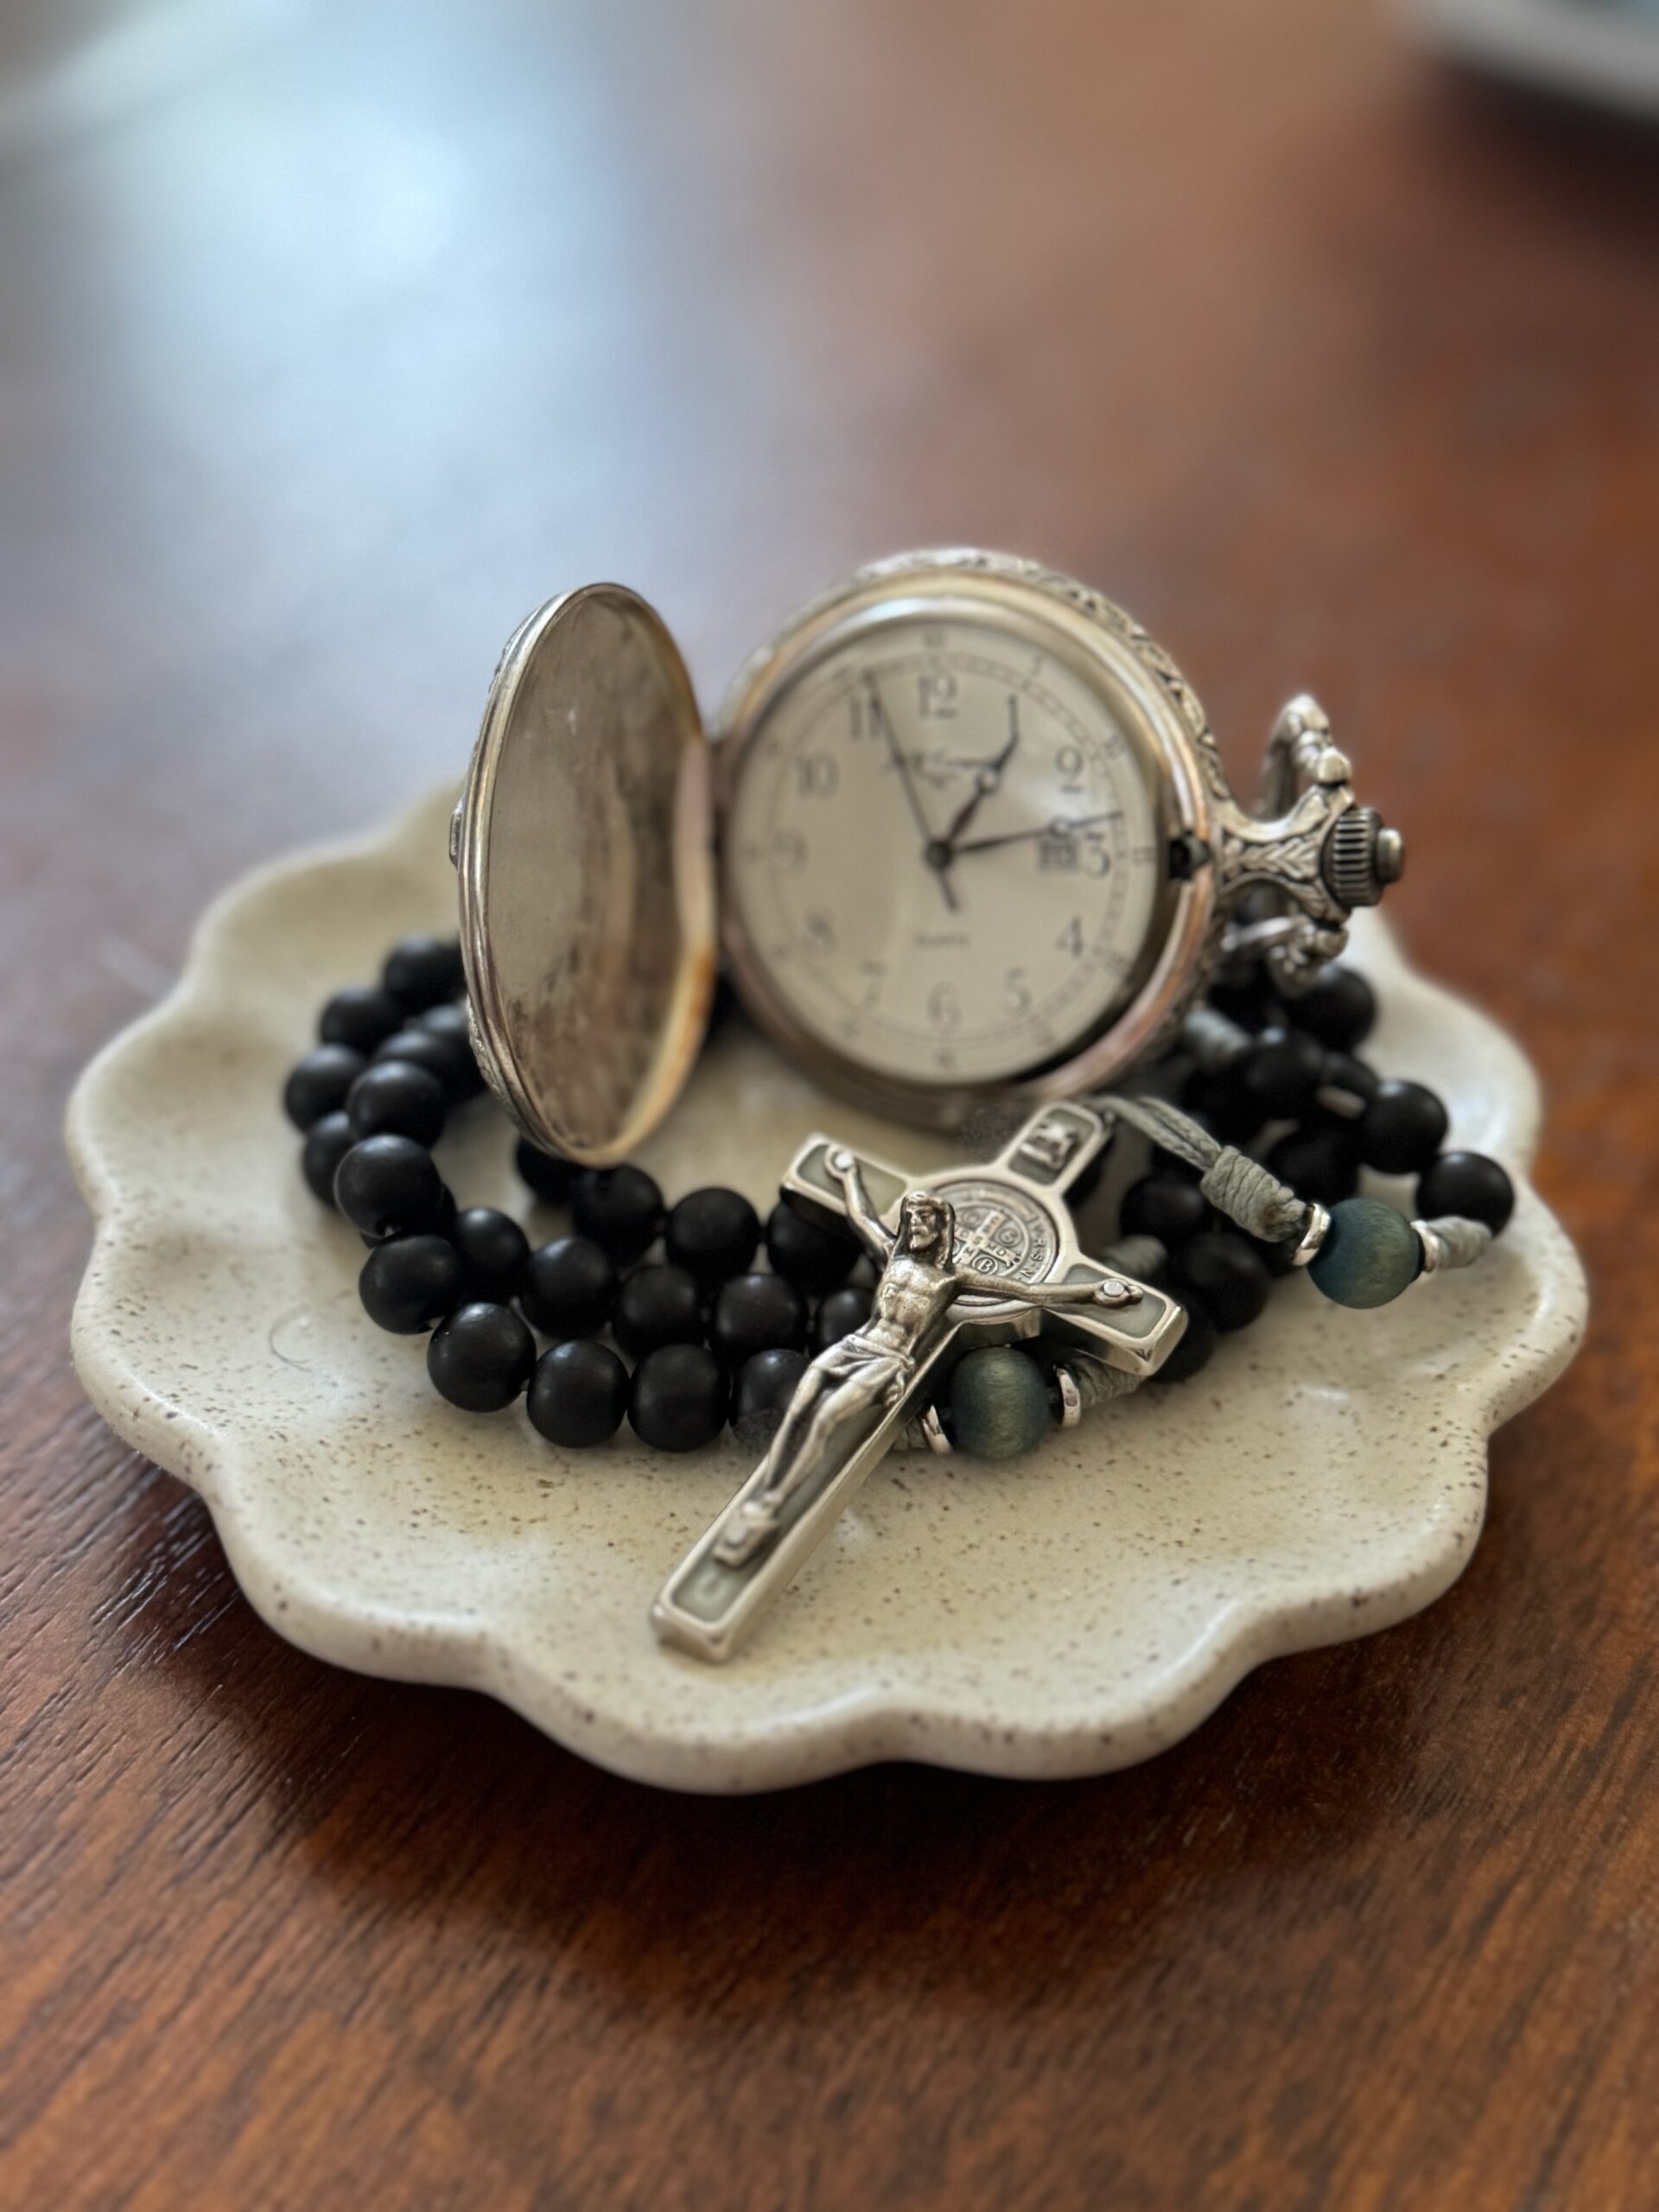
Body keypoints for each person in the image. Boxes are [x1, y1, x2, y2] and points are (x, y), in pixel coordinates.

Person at [712, 1149, 1136, 1567]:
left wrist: (1093, 1293)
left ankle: (772, 1508)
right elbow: (861, 1217)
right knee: (798, 1414)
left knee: (825, 1421)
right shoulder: (893, 1256)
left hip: (889, 1361)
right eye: (910, 1220)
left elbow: (1030, 1292)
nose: (913, 1226)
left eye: (922, 1221)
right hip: (853, 1346)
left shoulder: (952, 1278)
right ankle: (764, 1498)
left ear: (940, 1228)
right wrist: (847, 1176)